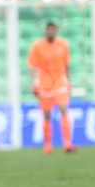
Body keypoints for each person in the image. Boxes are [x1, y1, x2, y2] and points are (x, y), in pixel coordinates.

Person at [28, 22, 75, 154]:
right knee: (47, 115)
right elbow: (33, 66)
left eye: (53, 30)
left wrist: (69, 82)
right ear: (46, 31)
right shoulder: (37, 46)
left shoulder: (63, 45)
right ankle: (48, 144)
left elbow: (66, 65)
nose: (51, 32)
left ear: (56, 31)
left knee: (63, 110)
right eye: (49, 30)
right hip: (45, 85)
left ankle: (67, 143)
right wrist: (35, 83)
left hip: (60, 83)